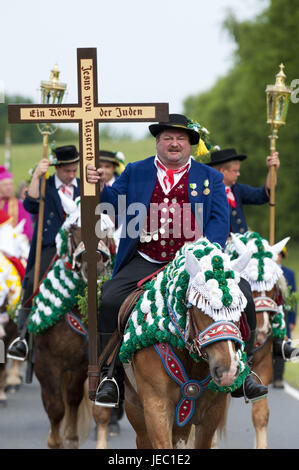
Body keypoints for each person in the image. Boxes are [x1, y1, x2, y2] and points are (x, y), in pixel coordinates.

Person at [87, 113, 267, 407]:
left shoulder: (211, 178)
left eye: (181, 139)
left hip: (193, 263)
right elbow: (111, 207)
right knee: (109, 298)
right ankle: (110, 375)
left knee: (243, 293)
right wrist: (99, 186)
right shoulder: (136, 171)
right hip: (147, 258)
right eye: (167, 138)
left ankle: (242, 372)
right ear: (157, 142)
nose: (174, 144)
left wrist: (204, 256)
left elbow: (219, 222)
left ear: (190, 144)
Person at [7, 145, 80, 361]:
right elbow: (30, 205)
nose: (71, 175)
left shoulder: (84, 187)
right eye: (67, 171)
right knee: (31, 283)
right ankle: (23, 337)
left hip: (80, 246)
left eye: (74, 170)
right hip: (51, 247)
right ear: (57, 168)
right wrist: (38, 175)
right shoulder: (45, 186)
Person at [206, 148, 280, 234]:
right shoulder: (207, 192)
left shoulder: (237, 189)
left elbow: (262, 195)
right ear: (223, 171)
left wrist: (272, 171)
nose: (238, 174)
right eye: (235, 171)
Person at [273, 247, 297, 388]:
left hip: (284, 315)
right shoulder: (266, 271)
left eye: (280, 254)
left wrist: (293, 319)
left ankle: (278, 378)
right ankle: (268, 375)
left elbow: (293, 298)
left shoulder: (289, 273)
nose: (277, 257)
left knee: (282, 345)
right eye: (275, 254)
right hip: (269, 312)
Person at [0, 166, 33, 242]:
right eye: (5, 185)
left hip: (15, 245)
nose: (8, 187)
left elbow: (28, 230)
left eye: (10, 184)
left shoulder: (20, 205)